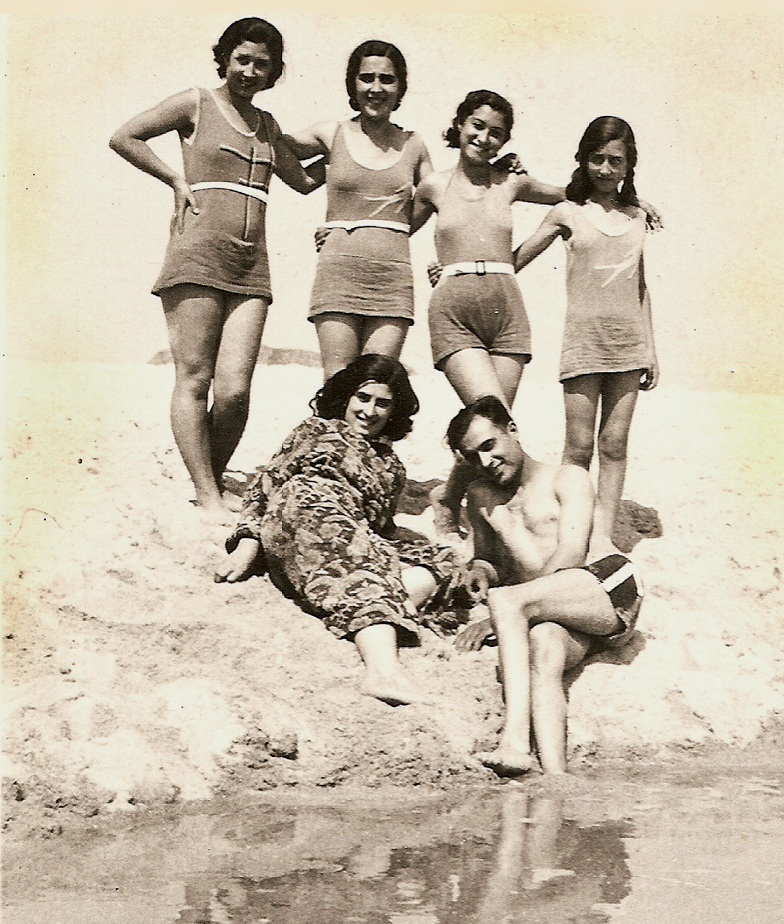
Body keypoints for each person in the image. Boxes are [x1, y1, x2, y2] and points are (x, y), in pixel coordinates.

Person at [110, 18, 325, 520]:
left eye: (262, 64)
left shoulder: (269, 126)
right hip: (198, 254)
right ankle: (207, 492)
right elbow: (125, 137)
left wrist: (351, 147)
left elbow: (305, 181)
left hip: (251, 265)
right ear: (225, 58)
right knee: (194, 377)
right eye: (242, 59)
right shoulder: (196, 103)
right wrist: (174, 180)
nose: (250, 71)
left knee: (235, 390)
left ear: (274, 72)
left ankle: (210, 474)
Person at [215, 355, 462, 706]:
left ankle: (373, 604)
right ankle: (382, 670)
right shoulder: (315, 430)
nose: (370, 411)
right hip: (305, 506)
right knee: (359, 566)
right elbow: (267, 485)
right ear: (346, 397)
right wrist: (248, 544)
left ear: (395, 411)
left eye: (383, 404)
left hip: (349, 533)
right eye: (363, 398)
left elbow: (379, 527)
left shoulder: (392, 466)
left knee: (445, 560)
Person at [447, 396, 644, 775]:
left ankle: (514, 740)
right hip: (558, 610)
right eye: (473, 456)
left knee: (505, 602)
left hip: (607, 587)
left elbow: (572, 552)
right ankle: (556, 778)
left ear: (512, 431)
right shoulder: (482, 497)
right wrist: (481, 572)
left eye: (490, 446)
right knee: (544, 646)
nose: (485, 462)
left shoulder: (565, 478)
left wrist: (503, 613)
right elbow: (489, 558)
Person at [410, 90, 566, 534]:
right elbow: (392, 225)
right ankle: (451, 499)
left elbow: (572, 195)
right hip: (454, 310)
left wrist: (635, 200)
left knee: (496, 424)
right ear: (459, 125)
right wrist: (336, 229)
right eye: (477, 126)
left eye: (496, 133)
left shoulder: (511, 182)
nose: (484, 137)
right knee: (489, 409)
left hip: (508, 312)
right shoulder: (434, 185)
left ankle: (450, 494)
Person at [513, 116, 658, 547]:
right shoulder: (568, 212)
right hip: (583, 344)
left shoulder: (637, 217)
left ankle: (604, 535)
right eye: (597, 159)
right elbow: (516, 258)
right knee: (578, 447)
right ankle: (573, 531)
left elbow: (641, 286)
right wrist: (461, 266)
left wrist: (651, 350)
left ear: (630, 165)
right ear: (583, 160)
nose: (606, 169)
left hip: (629, 345)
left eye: (616, 161)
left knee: (614, 444)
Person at [282, 41, 433, 380]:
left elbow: (441, 195)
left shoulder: (414, 144)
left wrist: (500, 168)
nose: (376, 88)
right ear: (353, 84)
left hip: (392, 278)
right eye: (366, 78)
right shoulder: (331, 133)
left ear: (400, 88)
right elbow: (273, 144)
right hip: (339, 273)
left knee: (378, 383)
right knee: (338, 385)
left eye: (386, 80)